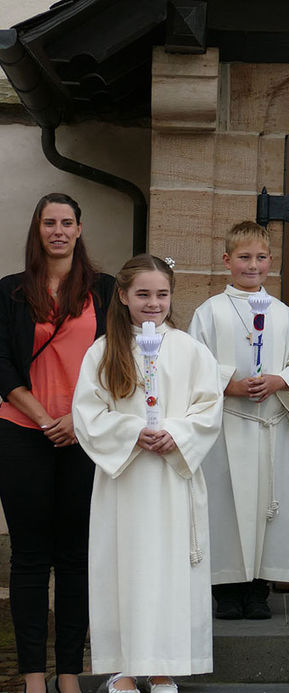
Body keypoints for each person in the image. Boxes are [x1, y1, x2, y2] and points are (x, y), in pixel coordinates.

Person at [72, 254, 223, 693]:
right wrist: (134, 432)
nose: (153, 302)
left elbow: (208, 406)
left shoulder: (191, 350)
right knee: (126, 568)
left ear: (172, 296)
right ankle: (124, 667)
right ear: (122, 296)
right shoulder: (102, 351)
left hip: (173, 477)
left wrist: (176, 432)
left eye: (162, 294)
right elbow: (88, 412)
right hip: (127, 481)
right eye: (143, 294)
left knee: (169, 570)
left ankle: (164, 665)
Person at [0, 193, 115, 693]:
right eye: (50, 223)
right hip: (22, 431)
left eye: (67, 222)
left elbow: (119, 361)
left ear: (80, 228)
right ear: (38, 229)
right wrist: (46, 417)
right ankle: (31, 676)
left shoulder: (105, 290)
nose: (59, 231)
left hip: (84, 435)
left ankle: (69, 671)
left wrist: (77, 418)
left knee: (75, 556)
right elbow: (1, 363)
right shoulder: (9, 292)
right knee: (28, 557)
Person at [189, 221, 289, 619]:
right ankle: (226, 592)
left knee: (270, 508)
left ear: (271, 262)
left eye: (261, 257)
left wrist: (279, 379)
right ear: (227, 260)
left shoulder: (286, 316)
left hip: (270, 427)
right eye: (244, 257)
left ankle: (258, 590)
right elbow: (193, 365)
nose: (253, 265)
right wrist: (227, 384)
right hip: (226, 427)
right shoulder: (210, 312)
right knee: (225, 507)